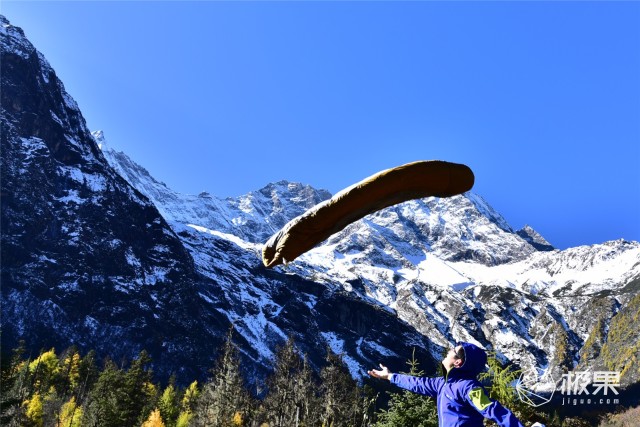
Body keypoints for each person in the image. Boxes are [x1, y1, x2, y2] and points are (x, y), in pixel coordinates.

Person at [368, 341, 526, 427]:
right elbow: (416, 383)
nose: (448, 351)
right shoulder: (442, 383)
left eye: (453, 350)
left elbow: (492, 409)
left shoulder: (469, 387)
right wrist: (389, 376)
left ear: (458, 362)